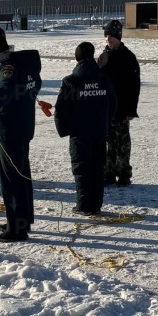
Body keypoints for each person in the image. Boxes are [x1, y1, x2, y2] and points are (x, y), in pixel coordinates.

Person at [0, 27, 42, 241]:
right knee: (22, 175)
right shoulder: (24, 64)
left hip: (9, 128)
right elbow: (34, 86)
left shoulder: (6, 67)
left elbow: (6, 90)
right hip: (22, 125)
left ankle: (17, 228)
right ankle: (22, 219)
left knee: (12, 179)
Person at [54, 41, 116, 216]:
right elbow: (113, 103)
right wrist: (105, 121)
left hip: (80, 134)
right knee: (97, 167)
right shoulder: (104, 79)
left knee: (82, 169)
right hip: (99, 132)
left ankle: (84, 206)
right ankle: (95, 205)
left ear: (77, 58)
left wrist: (64, 129)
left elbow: (61, 109)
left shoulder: (71, 81)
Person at [98, 19, 140, 187]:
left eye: (112, 36)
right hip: (105, 109)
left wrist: (131, 109)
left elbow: (134, 86)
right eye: (107, 36)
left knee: (122, 143)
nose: (109, 39)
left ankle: (124, 174)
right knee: (108, 142)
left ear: (119, 37)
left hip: (122, 108)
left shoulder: (128, 57)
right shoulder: (102, 57)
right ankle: (108, 173)